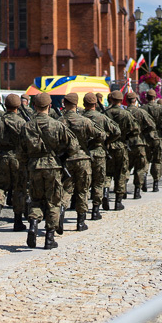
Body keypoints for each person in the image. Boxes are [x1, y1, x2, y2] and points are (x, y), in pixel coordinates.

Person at [18, 93, 79, 249]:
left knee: (36, 199)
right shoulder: (57, 125)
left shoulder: (27, 126)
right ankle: (49, 238)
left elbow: (21, 152)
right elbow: (74, 146)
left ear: (34, 107)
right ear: (49, 106)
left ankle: (33, 224)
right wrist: (62, 156)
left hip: (34, 166)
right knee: (53, 201)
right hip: (53, 166)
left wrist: (28, 164)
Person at [58, 93, 105, 232]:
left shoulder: (59, 121)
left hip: (66, 159)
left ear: (65, 103)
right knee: (82, 191)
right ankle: (80, 223)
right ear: (76, 103)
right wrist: (90, 143)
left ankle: (60, 213)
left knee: (66, 189)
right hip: (83, 159)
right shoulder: (84, 121)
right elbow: (101, 134)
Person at [0, 94, 27, 232]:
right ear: (18, 106)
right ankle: (17, 221)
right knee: (19, 188)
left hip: (1, 157)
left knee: (0, 186)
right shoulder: (22, 123)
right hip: (17, 158)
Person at [82, 92, 120, 219]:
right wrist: (106, 141)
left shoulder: (79, 117)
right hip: (98, 153)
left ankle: (80, 214)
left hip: (83, 153)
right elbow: (116, 131)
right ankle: (95, 210)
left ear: (84, 104)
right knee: (99, 182)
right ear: (95, 104)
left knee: (83, 184)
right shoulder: (102, 117)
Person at [104, 90, 138, 210]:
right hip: (121, 146)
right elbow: (135, 129)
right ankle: (118, 202)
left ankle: (105, 193)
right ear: (121, 100)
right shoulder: (126, 114)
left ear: (111, 99)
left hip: (107, 146)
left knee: (107, 173)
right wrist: (126, 136)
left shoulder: (105, 114)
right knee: (120, 173)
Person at [141, 90, 162, 192]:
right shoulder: (160, 108)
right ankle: (155, 184)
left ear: (147, 97)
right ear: (154, 97)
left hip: (146, 137)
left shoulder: (142, 109)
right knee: (157, 160)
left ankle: (144, 181)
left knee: (145, 160)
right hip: (157, 137)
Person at [125, 92, 155, 199]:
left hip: (126, 143)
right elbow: (151, 125)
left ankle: (123, 189)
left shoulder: (123, 112)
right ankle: (137, 191)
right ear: (135, 100)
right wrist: (143, 132)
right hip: (139, 143)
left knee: (126, 167)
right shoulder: (140, 112)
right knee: (140, 167)